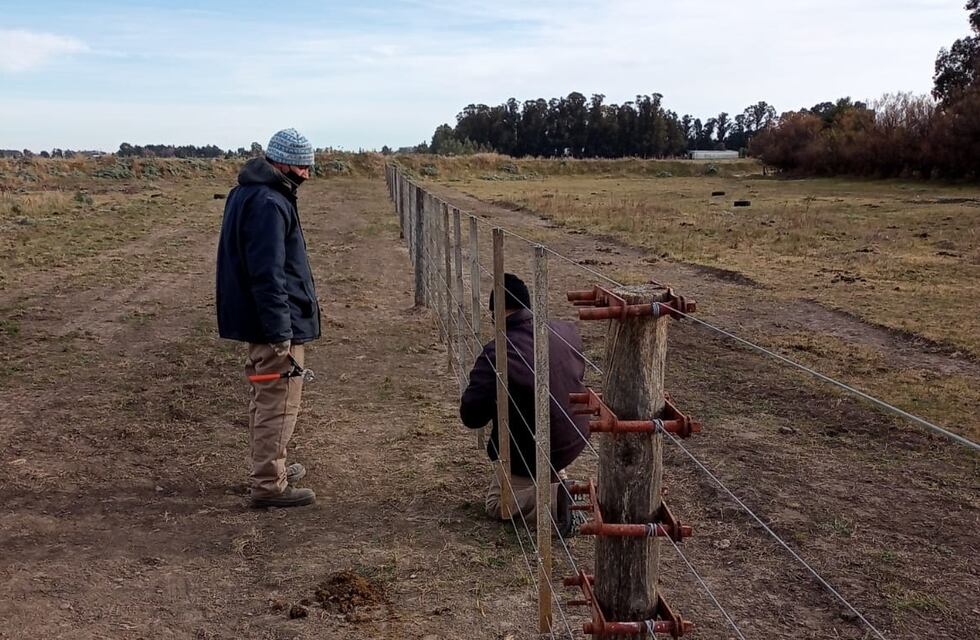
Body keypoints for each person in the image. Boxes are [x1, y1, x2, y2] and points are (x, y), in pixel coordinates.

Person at [215, 128, 320, 508]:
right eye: (302, 167)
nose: (306, 174)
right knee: (278, 404)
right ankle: (269, 485)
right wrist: (280, 331)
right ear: (282, 163)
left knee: (266, 399)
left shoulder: (249, 193)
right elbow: (267, 274)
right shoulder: (269, 203)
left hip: (260, 322)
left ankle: (270, 467)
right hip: (274, 326)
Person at [459, 273, 590, 532]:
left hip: (533, 450)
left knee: (497, 503)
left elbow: (471, 416)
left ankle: (558, 500)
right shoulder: (566, 331)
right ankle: (559, 481)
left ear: (496, 313)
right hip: (575, 435)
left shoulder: (498, 352)